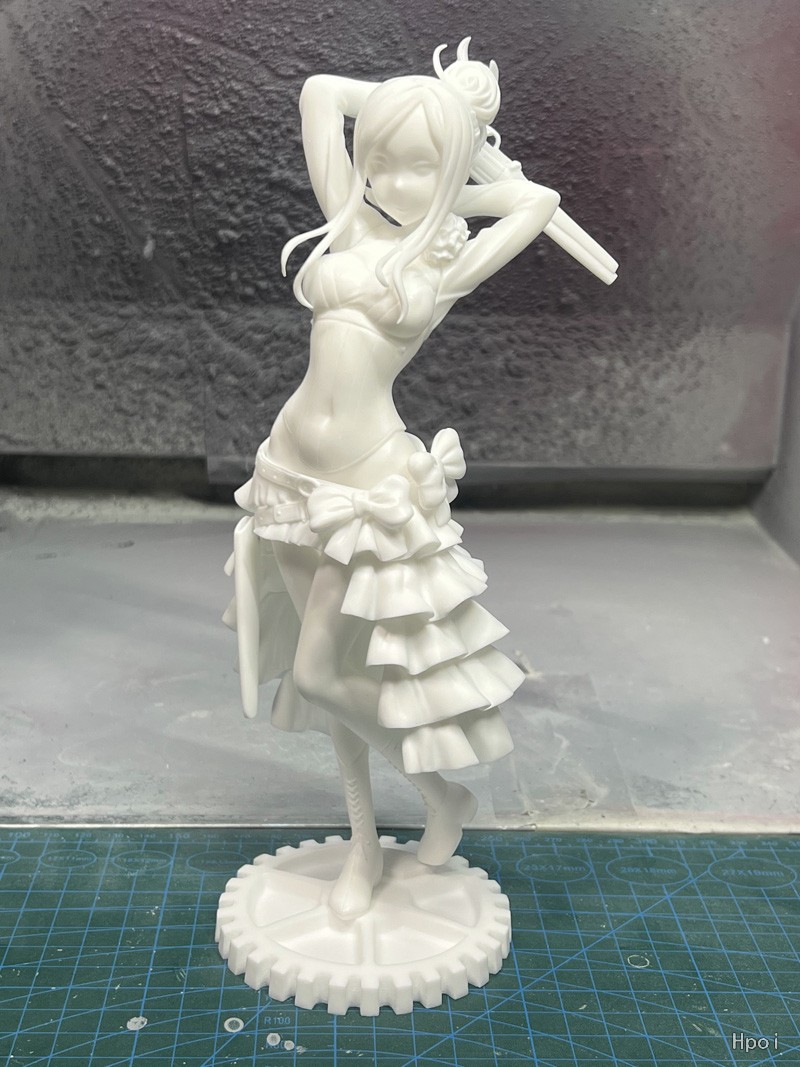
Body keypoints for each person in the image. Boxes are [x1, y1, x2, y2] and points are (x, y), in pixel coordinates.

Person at [225, 42, 562, 920]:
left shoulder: (444, 260)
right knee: (328, 672)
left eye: (420, 168)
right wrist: (415, 103)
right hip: (288, 471)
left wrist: (459, 167)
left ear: (445, 171)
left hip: (365, 487)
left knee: (321, 670)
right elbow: (319, 91)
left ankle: (442, 792)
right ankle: (365, 845)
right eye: (382, 160)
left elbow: (536, 203)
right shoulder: (347, 215)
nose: (393, 182)